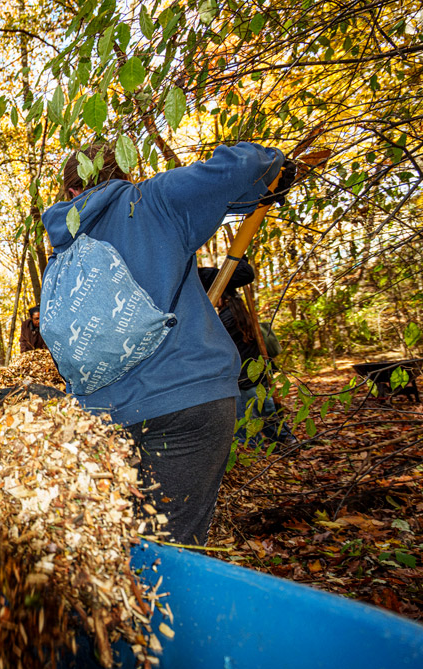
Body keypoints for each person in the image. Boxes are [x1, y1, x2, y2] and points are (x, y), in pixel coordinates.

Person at [41, 143, 294, 545]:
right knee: (170, 550)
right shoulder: (151, 200)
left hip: (101, 418)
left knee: (114, 547)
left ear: (70, 194)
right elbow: (243, 163)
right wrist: (272, 173)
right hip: (188, 400)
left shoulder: (62, 242)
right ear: (126, 174)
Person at [198, 261, 296, 445]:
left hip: (244, 374)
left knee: (248, 414)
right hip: (252, 373)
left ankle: (256, 446)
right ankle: (283, 440)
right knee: (264, 409)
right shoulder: (237, 313)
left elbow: (244, 273)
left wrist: (238, 256)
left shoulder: (227, 317)